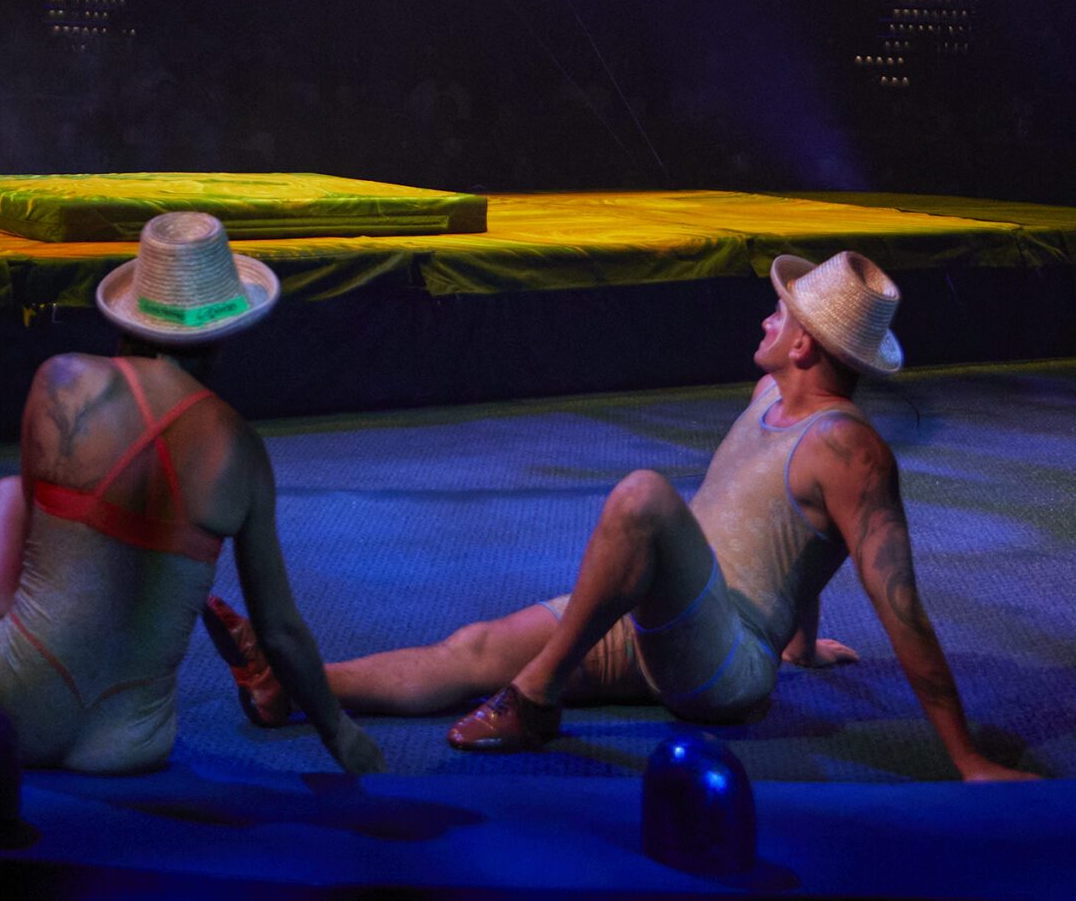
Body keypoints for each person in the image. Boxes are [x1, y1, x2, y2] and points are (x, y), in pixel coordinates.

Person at [203, 249, 1038, 783]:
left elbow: (904, 608)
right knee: (471, 648)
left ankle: (535, 700)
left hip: (726, 669)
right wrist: (806, 639)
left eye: (779, 314)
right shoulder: (765, 397)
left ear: (805, 347)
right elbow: (798, 540)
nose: (765, 317)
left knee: (642, 496)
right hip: (672, 628)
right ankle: (291, 690)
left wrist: (965, 757)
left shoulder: (853, 451)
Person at [0, 208, 385, 776]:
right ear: (227, 332)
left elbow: (38, 533)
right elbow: (278, 631)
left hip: (8, 713)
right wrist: (342, 735)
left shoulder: (62, 380)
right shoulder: (242, 450)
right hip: (131, 743)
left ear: (131, 316)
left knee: (10, 493)